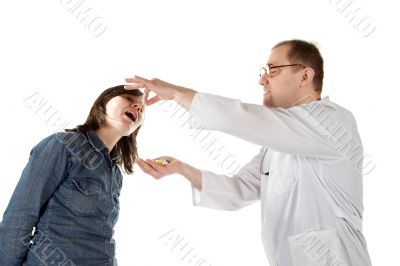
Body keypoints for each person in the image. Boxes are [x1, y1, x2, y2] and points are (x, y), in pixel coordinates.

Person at [125, 40, 372, 266]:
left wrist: (177, 93)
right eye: (263, 72)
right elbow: (240, 189)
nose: (263, 80)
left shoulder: (334, 121)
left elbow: (248, 119)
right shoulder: (275, 144)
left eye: (273, 70)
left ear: (305, 75)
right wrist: (181, 169)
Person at [0, 85, 145, 265]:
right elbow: (19, 217)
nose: (138, 107)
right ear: (104, 102)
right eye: (129, 99)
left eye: (142, 107)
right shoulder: (64, 144)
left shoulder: (115, 173)